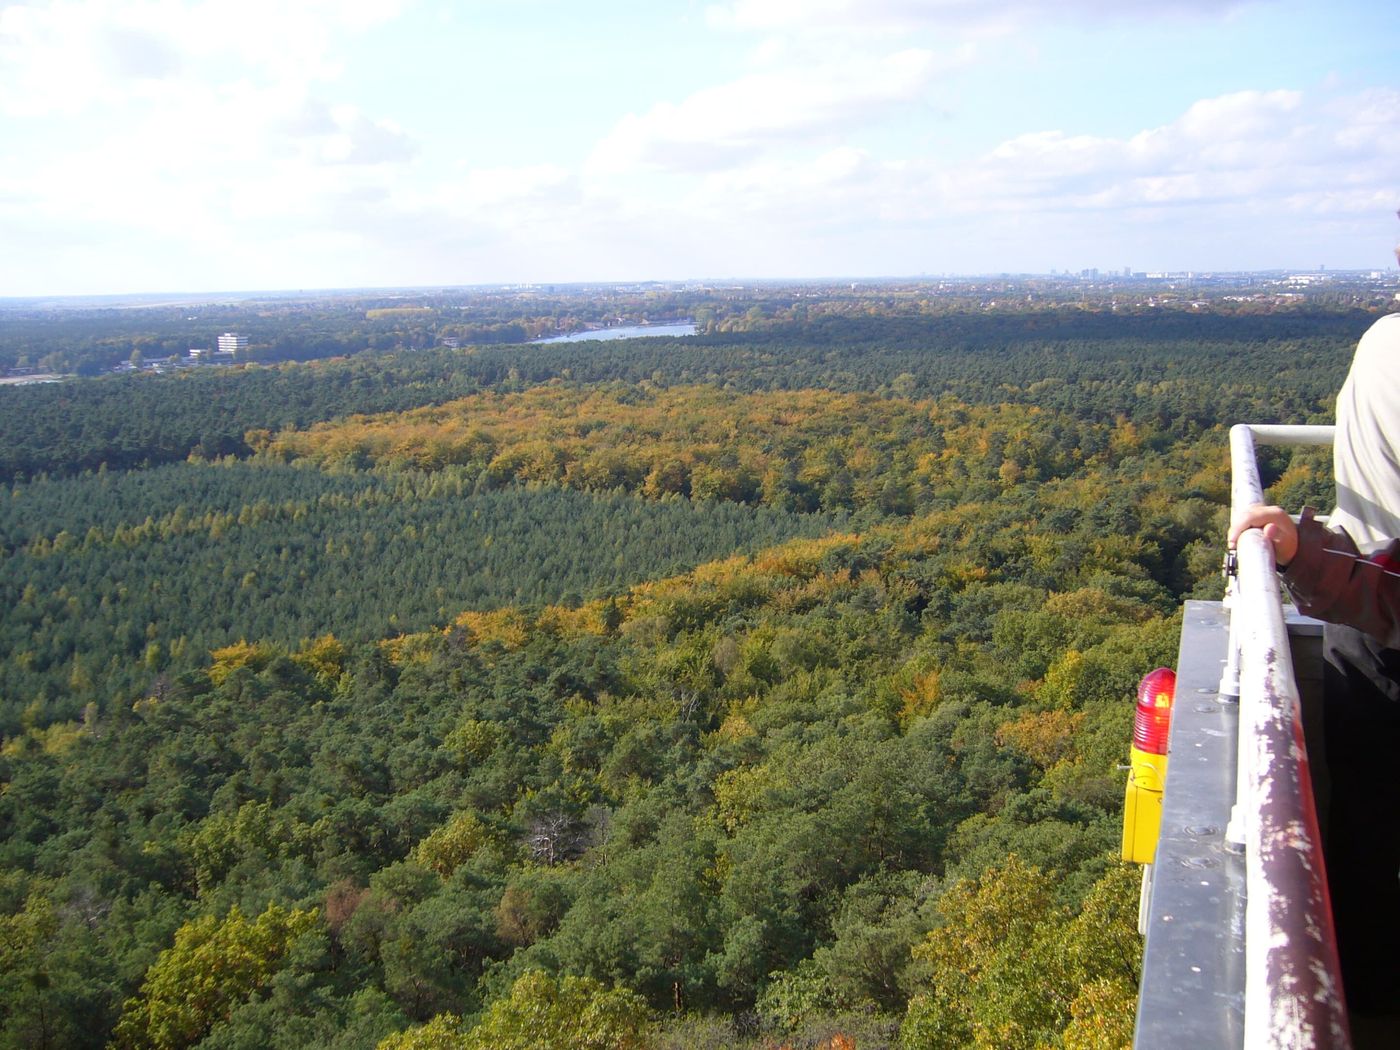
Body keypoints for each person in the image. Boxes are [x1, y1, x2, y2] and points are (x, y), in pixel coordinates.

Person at [1229, 309, 1400, 1019]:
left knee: (1369, 843)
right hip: (1370, 633)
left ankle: (1362, 1000)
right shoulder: (1387, 348)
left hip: (1369, 639)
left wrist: (1302, 552)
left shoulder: (1384, 347)